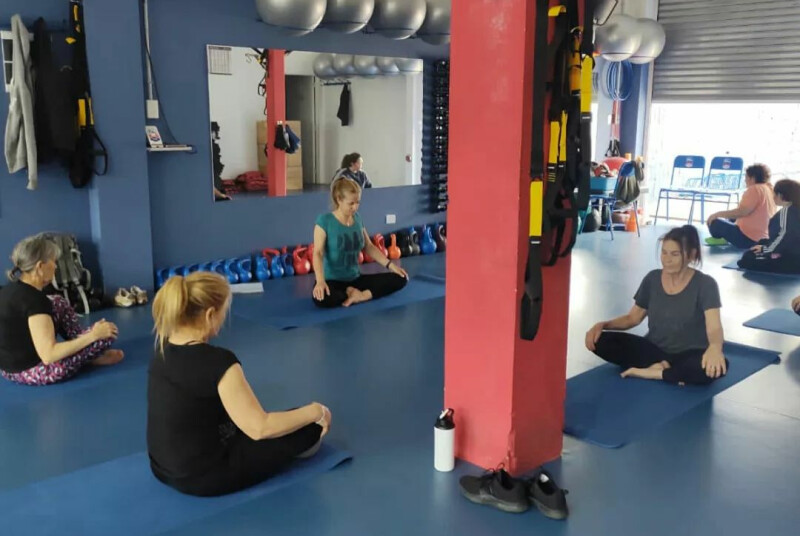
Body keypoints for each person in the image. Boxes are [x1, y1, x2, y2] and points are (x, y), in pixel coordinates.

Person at [147, 272, 332, 497]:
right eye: (223, 313)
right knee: (308, 429)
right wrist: (316, 411)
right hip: (202, 477)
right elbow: (260, 428)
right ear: (210, 315)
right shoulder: (219, 362)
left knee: (279, 420)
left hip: (162, 468)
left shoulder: (162, 352)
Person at [585, 226, 728, 385]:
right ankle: (668, 371)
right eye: (664, 252)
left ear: (691, 255)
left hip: (690, 354)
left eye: (674, 254)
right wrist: (603, 325)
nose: (667, 259)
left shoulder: (706, 284)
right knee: (599, 341)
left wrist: (715, 348)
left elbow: (714, 327)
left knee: (718, 367)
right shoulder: (652, 279)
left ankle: (654, 373)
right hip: (654, 351)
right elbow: (633, 318)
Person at [0, 233, 123, 385]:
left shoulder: (9, 289)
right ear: (40, 267)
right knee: (107, 334)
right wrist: (93, 335)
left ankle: (80, 346)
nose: (56, 266)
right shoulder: (35, 301)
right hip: (32, 371)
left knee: (58, 302)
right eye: (53, 261)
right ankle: (89, 357)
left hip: (6, 370)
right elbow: (49, 355)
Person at [313, 178, 407, 308]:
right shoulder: (324, 221)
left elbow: (368, 246)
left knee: (401, 278)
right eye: (351, 203)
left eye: (357, 202)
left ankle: (362, 295)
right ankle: (349, 292)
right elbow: (318, 253)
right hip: (332, 281)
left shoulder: (357, 219)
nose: (355, 207)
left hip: (356, 279)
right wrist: (320, 281)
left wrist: (391, 266)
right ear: (339, 199)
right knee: (322, 298)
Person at [705, 163, 776, 249]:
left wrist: (716, 214)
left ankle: (722, 238)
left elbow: (742, 212)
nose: (745, 180)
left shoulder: (754, 189)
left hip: (748, 239)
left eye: (746, 177)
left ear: (752, 178)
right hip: (763, 238)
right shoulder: (768, 189)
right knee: (731, 218)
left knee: (714, 222)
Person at [737, 179, 800, 274]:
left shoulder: (786, 212)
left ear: (780, 195)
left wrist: (765, 249)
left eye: (774, 194)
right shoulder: (795, 210)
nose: (773, 197)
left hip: (791, 259)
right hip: (792, 252)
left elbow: (785, 236)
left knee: (748, 258)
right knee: (762, 241)